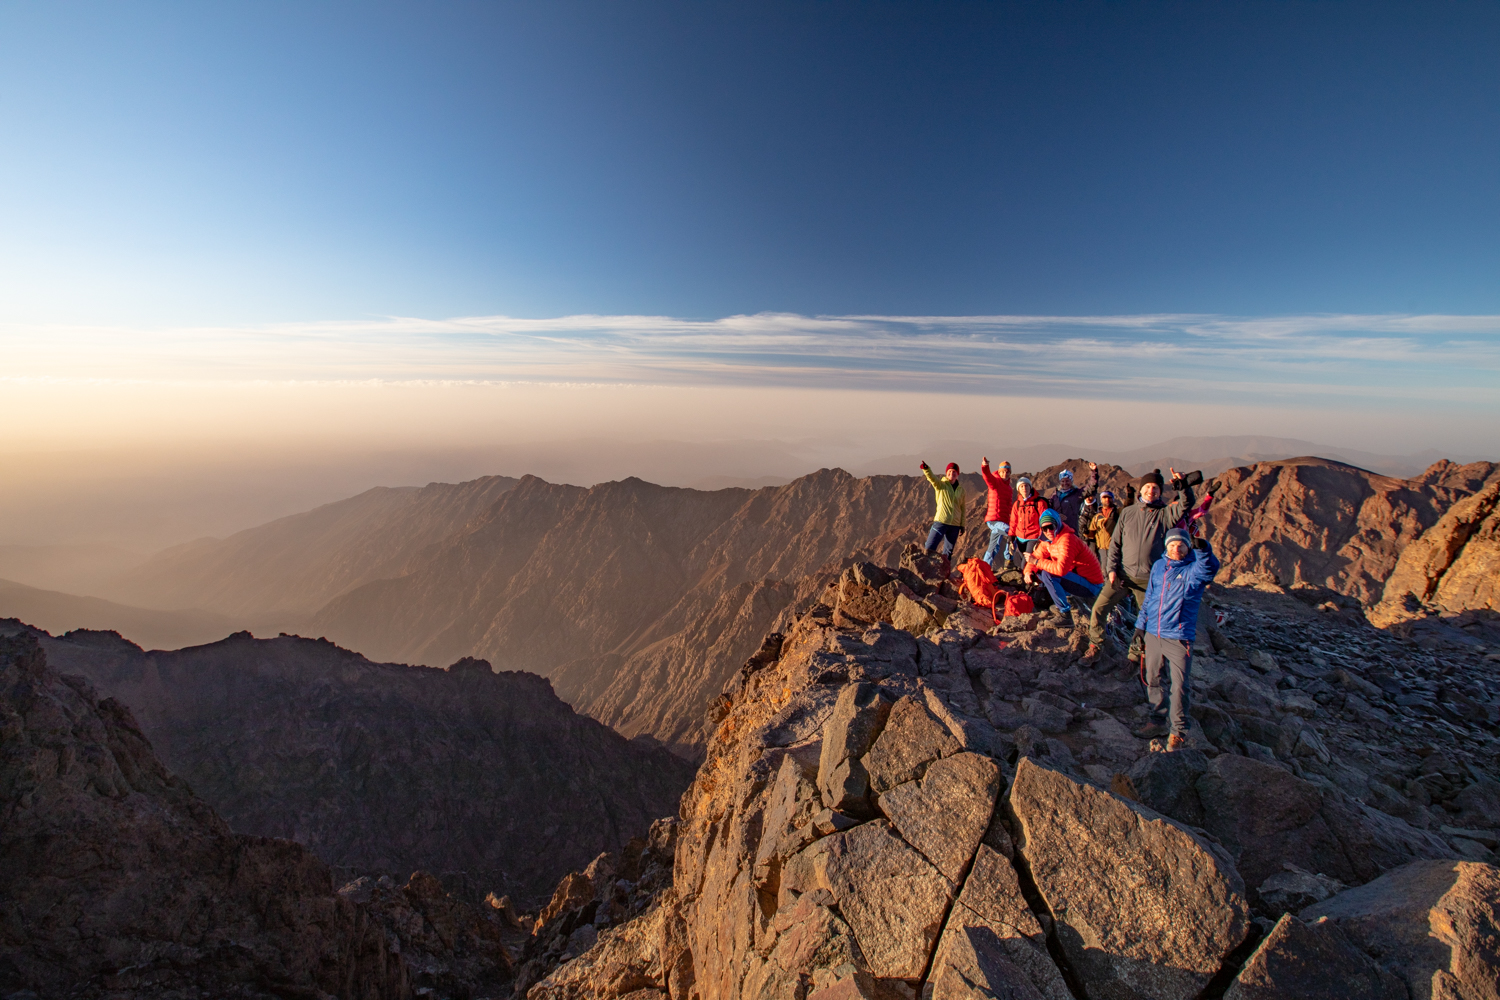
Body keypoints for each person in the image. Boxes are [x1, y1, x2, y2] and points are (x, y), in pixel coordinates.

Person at [1083, 468, 1196, 665]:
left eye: (1155, 488)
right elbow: (1115, 544)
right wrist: (1111, 570)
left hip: (1149, 579)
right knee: (1099, 609)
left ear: (1160, 492)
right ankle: (1096, 645)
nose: (1151, 491)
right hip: (1122, 574)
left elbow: (1186, 504)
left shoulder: (1165, 514)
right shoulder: (1127, 513)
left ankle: (1134, 659)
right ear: (1140, 490)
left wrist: (1184, 485)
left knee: (1145, 622)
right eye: (1147, 487)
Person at [1131, 527, 1221, 750]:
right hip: (1153, 632)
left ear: (1187, 546)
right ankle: (1157, 720)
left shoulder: (1193, 570)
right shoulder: (1160, 566)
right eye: (1171, 545)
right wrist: (1140, 627)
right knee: (1152, 678)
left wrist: (1203, 549)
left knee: (1179, 686)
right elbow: (1150, 597)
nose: (1175, 549)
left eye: (1180, 544)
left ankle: (1178, 731)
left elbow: (1208, 569)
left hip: (1179, 637)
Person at [1023, 509, 1104, 625]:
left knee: (1048, 573)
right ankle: (1065, 599)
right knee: (1041, 570)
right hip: (1078, 578)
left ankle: (1065, 614)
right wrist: (1028, 571)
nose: (1048, 531)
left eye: (1051, 526)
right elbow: (1035, 556)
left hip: (1091, 585)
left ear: (1057, 524)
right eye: (1044, 529)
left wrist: (1036, 562)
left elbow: (1060, 570)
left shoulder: (1067, 539)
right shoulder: (1048, 541)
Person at [919, 460, 966, 570]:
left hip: (954, 525)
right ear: (946, 473)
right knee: (930, 547)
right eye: (949, 471)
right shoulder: (941, 485)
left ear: (957, 474)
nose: (951, 474)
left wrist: (962, 524)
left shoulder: (961, 491)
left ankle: (944, 573)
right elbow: (932, 478)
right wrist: (926, 469)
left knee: (948, 552)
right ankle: (924, 569)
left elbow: (963, 508)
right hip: (941, 521)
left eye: (954, 472)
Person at [1007, 477, 1051, 571]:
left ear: (1030, 487)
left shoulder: (1039, 503)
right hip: (1020, 538)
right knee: (1023, 560)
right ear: (1018, 489)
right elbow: (1013, 522)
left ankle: (1029, 583)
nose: (1024, 488)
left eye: (1026, 486)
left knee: (1026, 563)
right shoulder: (1017, 504)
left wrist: (1041, 538)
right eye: (1021, 486)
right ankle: (1033, 580)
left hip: (1034, 537)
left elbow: (1044, 521)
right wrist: (1011, 538)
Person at [979, 457, 1014, 572]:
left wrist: (1011, 520)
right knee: (1012, 533)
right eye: (1003, 471)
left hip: (1003, 520)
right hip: (993, 520)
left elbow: (1009, 506)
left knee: (993, 547)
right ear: (999, 471)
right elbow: (987, 477)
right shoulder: (995, 482)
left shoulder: (1009, 489)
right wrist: (985, 466)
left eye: (1007, 472)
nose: (1005, 473)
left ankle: (985, 567)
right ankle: (1008, 560)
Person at [1050, 464, 1099, 532]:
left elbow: (1091, 487)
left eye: (1067, 481)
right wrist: (1056, 516)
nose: (1065, 483)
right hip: (1056, 530)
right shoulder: (1055, 495)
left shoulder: (1077, 494)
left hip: (1071, 530)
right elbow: (1048, 509)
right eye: (1063, 481)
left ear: (1071, 481)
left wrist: (1094, 472)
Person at [1083, 489, 1120, 559]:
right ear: (1101, 500)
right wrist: (1086, 532)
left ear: (1113, 499)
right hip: (1102, 549)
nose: (1107, 499)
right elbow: (1092, 533)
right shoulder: (1097, 516)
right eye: (1104, 498)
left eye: (1109, 498)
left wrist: (1130, 497)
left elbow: (1127, 506)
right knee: (1103, 569)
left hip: (1115, 547)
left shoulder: (1117, 513)